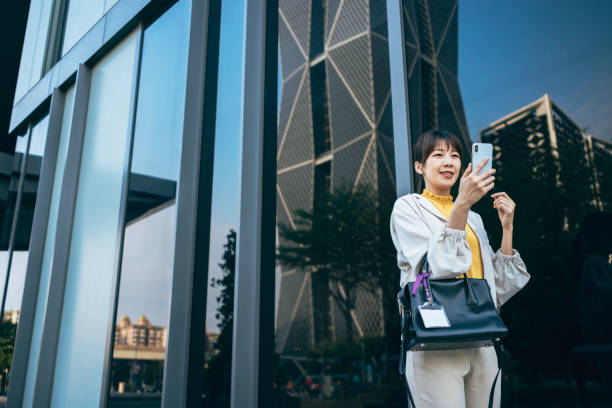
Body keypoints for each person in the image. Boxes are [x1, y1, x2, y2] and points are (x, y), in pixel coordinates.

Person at [390, 130, 530, 408]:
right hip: (434, 343)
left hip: (481, 339)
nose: (449, 162)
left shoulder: (474, 219)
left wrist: (507, 228)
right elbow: (435, 269)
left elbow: (497, 289)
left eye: (455, 155)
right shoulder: (408, 207)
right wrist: (463, 203)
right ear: (420, 167)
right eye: (438, 155)